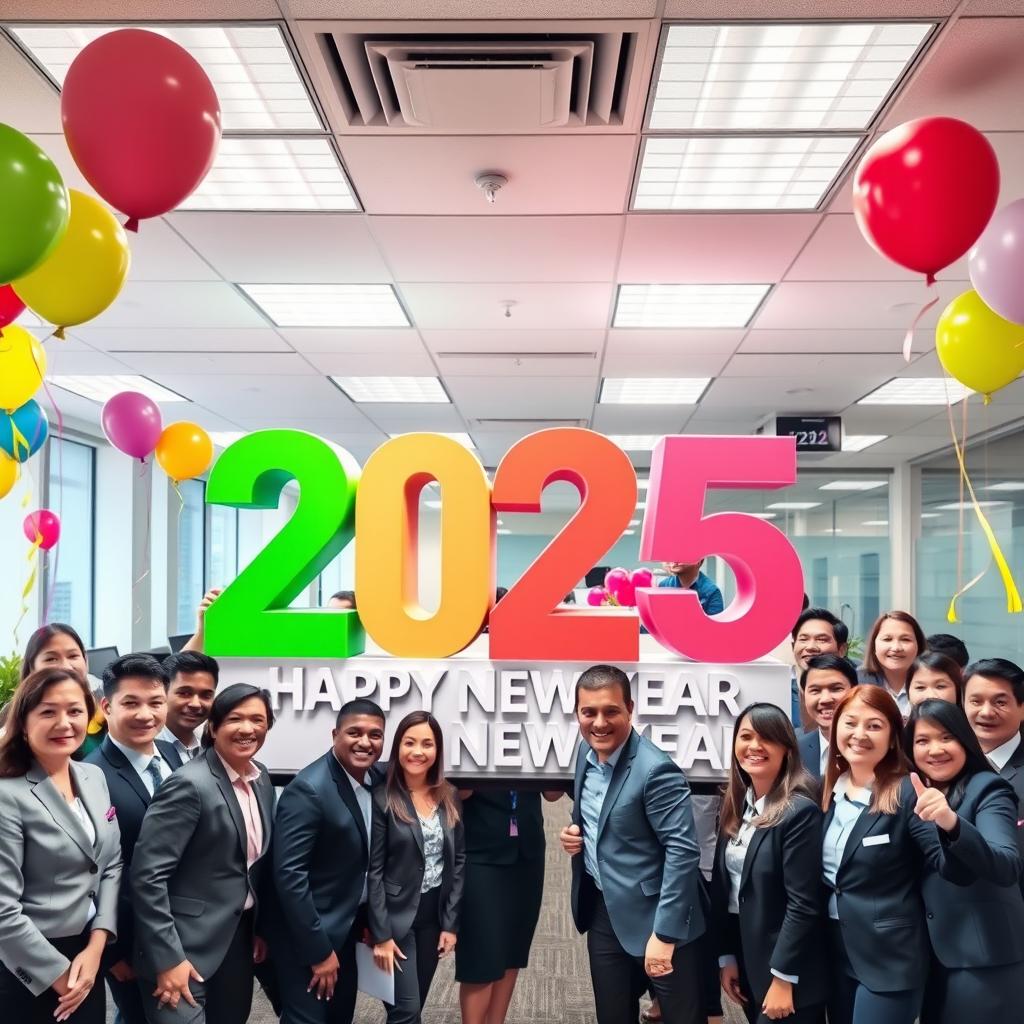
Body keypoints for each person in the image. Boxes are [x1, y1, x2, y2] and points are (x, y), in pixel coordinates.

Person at [820, 685, 981, 1024]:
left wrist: (949, 823)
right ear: (835, 730)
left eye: (874, 725)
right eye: (850, 723)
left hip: (889, 959)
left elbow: (953, 868)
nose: (859, 734)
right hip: (835, 951)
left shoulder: (907, 791)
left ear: (893, 736)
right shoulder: (826, 791)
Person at [559, 664, 705, 1024]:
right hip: (604, 912)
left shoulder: (656, 770)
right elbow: (600, 815)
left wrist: (665, 933)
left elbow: (683, 852)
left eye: (611, 711)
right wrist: (578, 835)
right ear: (577, 713)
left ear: (630, 709)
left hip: (658, 916)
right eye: (588, 712)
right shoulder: (585, 754)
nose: (599, 722)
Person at [131, 683, 276, 1024]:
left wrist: (259, 928)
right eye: (235, 719)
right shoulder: (190, 784)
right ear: (213, 727)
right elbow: (147, 877)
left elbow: (251, 867)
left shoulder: (261, 779)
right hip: (181, 948)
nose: (247, 728)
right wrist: (167, 959)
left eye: (258, 719)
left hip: (234, 945)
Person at [0, 667, 122, 1024]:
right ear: (23, 722)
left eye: (74, 711)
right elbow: (2, 909)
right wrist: (61, 977)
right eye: (48, 712)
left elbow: (111, 864)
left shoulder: (92, 776)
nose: (64, 723)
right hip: (30, 961)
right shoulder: (8, 794)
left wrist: (98, 944)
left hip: (87, 953)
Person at [903, 699, 1024, 1024]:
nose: (935, 749)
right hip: (930, 960)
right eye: (922, 741)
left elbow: (1005, 865)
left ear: (964, 740)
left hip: (984, 961)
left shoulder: (989, 789)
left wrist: (951, 822)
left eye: (946, 737)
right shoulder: (910, 793)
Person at [271, 699, 387, 1024]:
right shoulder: (309, 789)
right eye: (355, 732)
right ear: (335, 734)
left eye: (375, 735)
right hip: (310, 933)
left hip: (347, 926)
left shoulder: (374, 778)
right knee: (308, 1018)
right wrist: (318, 952)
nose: (365, 742)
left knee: (338, 1016)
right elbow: (290, 878)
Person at [712, 703, 826, 1024]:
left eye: (767, 738)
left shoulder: (799, 812)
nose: (754, 746)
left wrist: (783, 977)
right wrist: (727, 956)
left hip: (788, 971)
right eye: (746, 736)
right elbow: (729, 889)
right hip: (749, 956)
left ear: (787, 750)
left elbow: (803, 904)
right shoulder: (738, 805)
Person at [85, 655, 182, 1024]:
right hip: (130, 941)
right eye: (131, 703)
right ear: (106, 706)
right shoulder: (90, 775)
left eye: (156, 703)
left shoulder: (174, 755)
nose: (146, 714)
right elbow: (92, 872)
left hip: (185, 928)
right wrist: (113, 953)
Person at [369, 711, 465, 1024]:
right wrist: (381, 934)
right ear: (397, 747)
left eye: (427, 744)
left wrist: (450, 923)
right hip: (396, 918)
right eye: (410, 743)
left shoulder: (449, 795)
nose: (418, 751)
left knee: (413, 1006)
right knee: (407, 1011)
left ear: (437, 751)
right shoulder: (383, 798)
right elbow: (374, 871)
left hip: (432, 916)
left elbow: (458, 861)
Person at [456, 784, 562, 1024]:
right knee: (480, 956)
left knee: (512, 951)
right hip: (479, 849)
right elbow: (457, 791)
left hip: (527, 849)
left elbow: (552, 795)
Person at [963, 658, 1024, 864]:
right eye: (976, 701)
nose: (986, 712)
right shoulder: (944, 763)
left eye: (1000, 702)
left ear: (1022, 707)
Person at [21, 622, 106, 756]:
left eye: (73, 656)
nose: (66, 666)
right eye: (51, 659)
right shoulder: (17, 711)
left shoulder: (106, 702)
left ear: (85, 660)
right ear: (31, 667)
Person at [797, 654, 857, 783]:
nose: (825, 699)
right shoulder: (795, 751)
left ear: (855, 691)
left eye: (836, 689)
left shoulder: (872, 747)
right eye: (815, 690)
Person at [856, 611, 926, 717]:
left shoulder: (932, 682)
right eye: (887, 639)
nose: (896, 648)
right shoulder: (855, 682)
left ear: (918, 645)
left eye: (905, 639)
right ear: (873, 645)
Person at [790, 609, 850, 727]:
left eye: (822, 640)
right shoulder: (780, 692)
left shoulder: (856, 692)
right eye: (803, 639)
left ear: (842, 649)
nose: (811, 647)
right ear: (793, 646)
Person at [159, 651, 218, 763]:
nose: (195, 704)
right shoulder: (144, 747)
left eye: (206, 695)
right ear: (163, 693)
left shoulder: (210, 750)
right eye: (185, 693)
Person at [657, 560, 724, 615]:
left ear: (699, 561)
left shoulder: (712, 592)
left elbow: (714, 628)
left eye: (682, 555)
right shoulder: (663, 585)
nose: (674, 561)